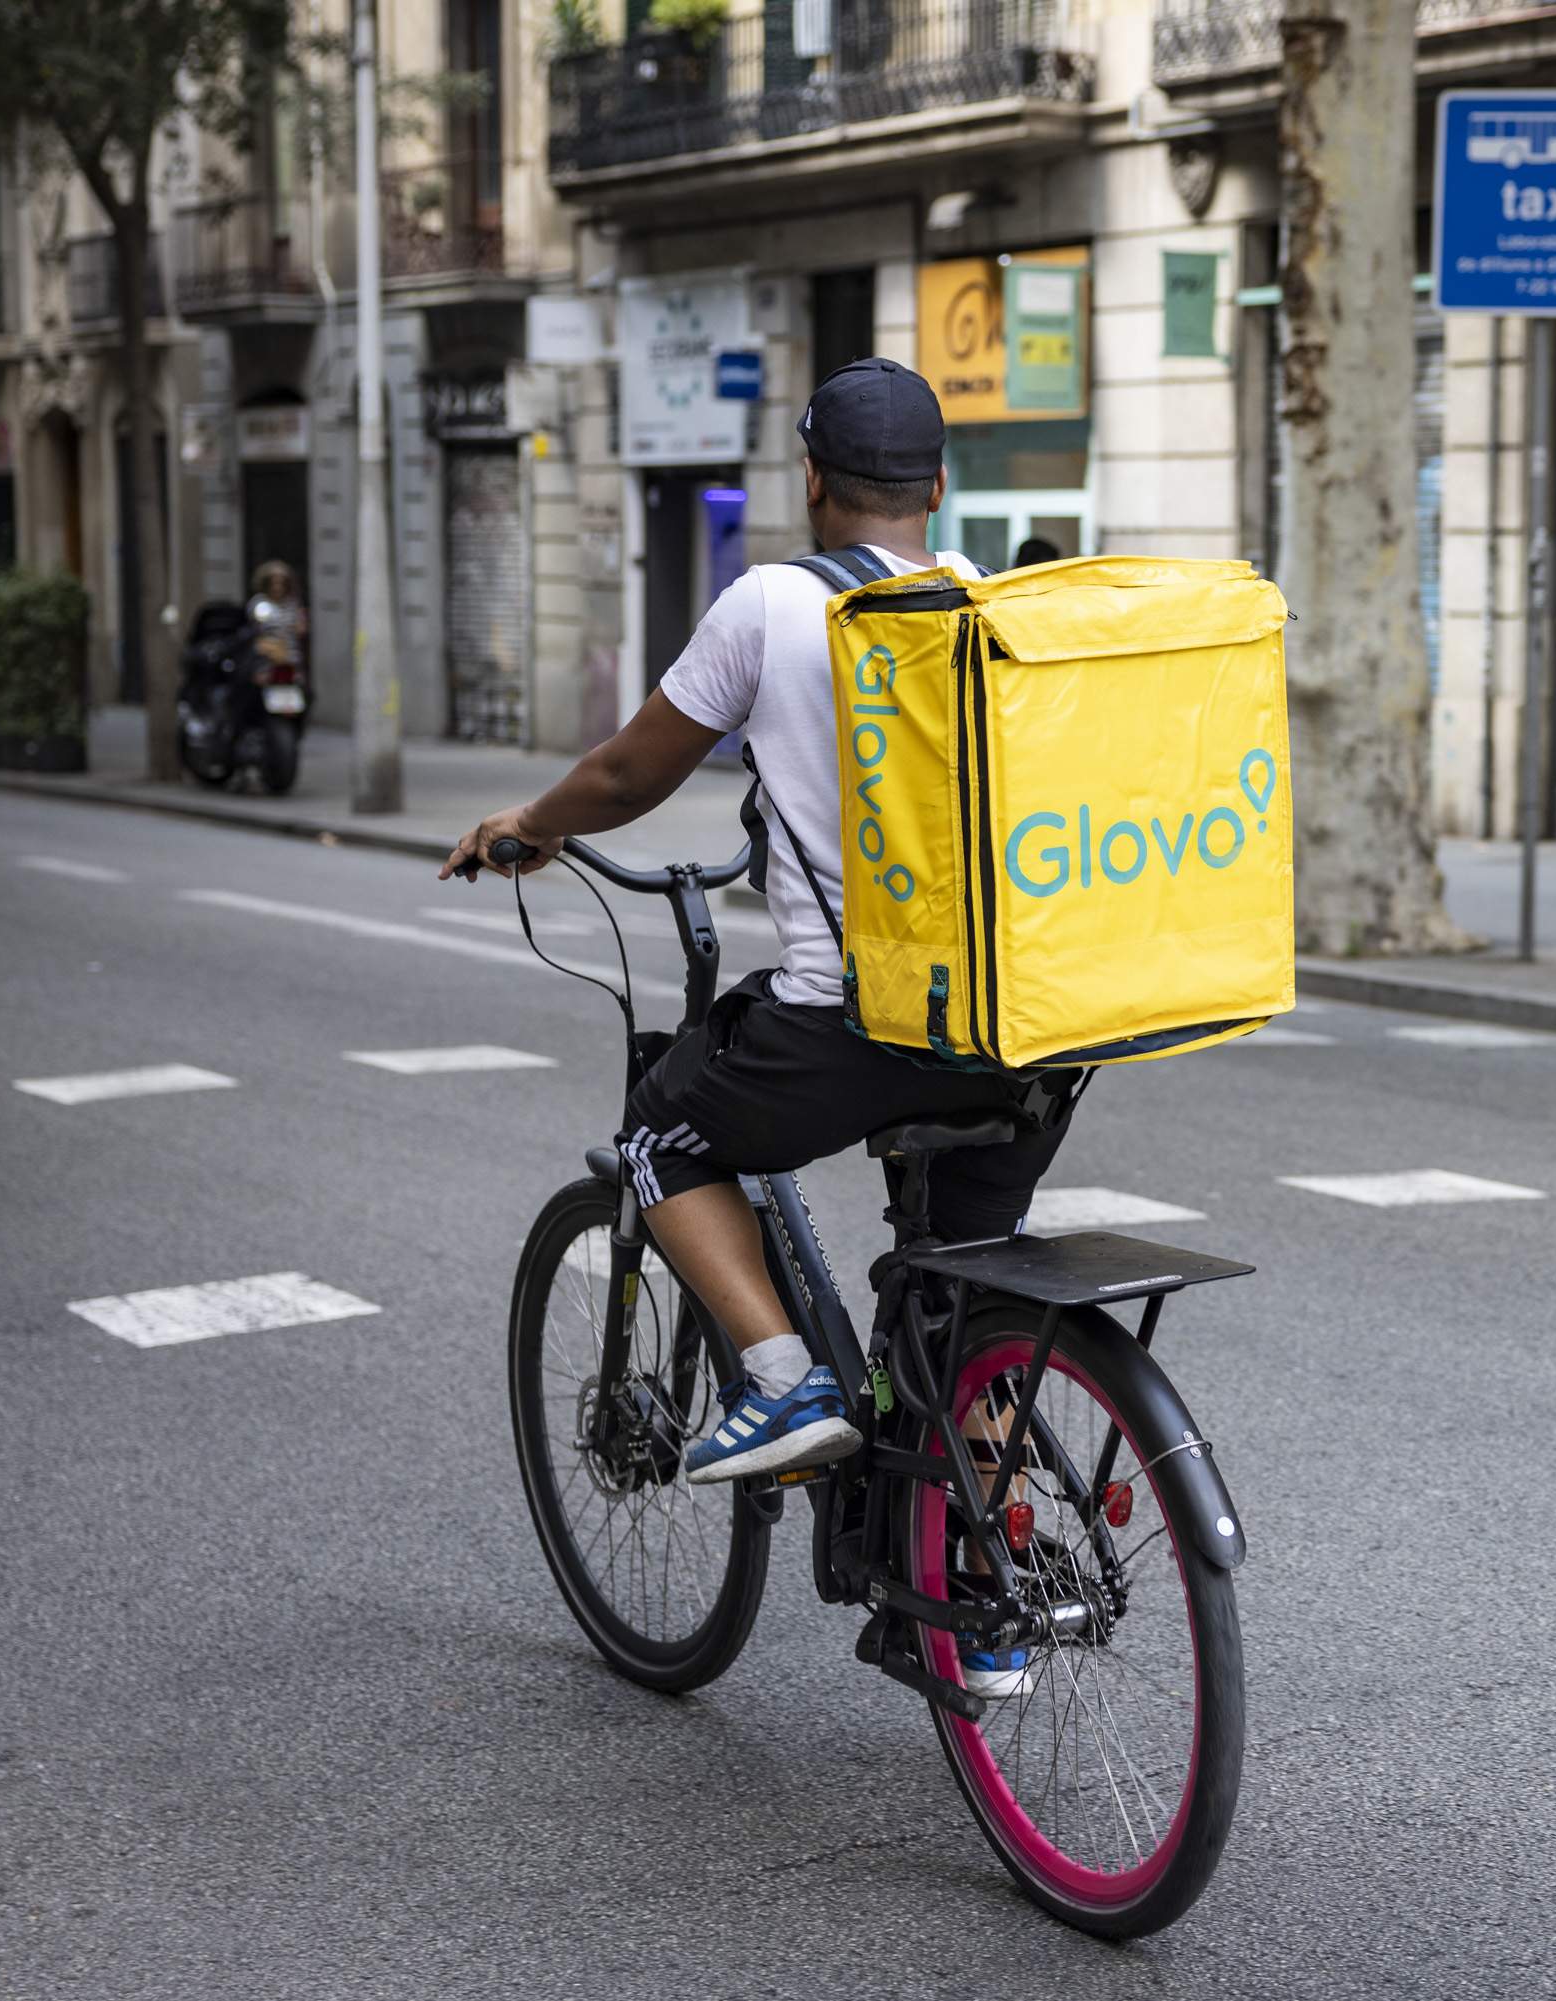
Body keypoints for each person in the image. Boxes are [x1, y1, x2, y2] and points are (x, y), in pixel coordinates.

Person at [441, 362, 1072, 1654]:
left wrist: (531, 826)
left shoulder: (774, 602)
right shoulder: (986, 605)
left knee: (663, 1136)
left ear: (814, 482)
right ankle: (982, 1586)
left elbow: (627, 772)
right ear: (940, 488)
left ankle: (784, 1383)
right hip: (1019, 1028)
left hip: (853, 1019)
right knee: (970, 1290)